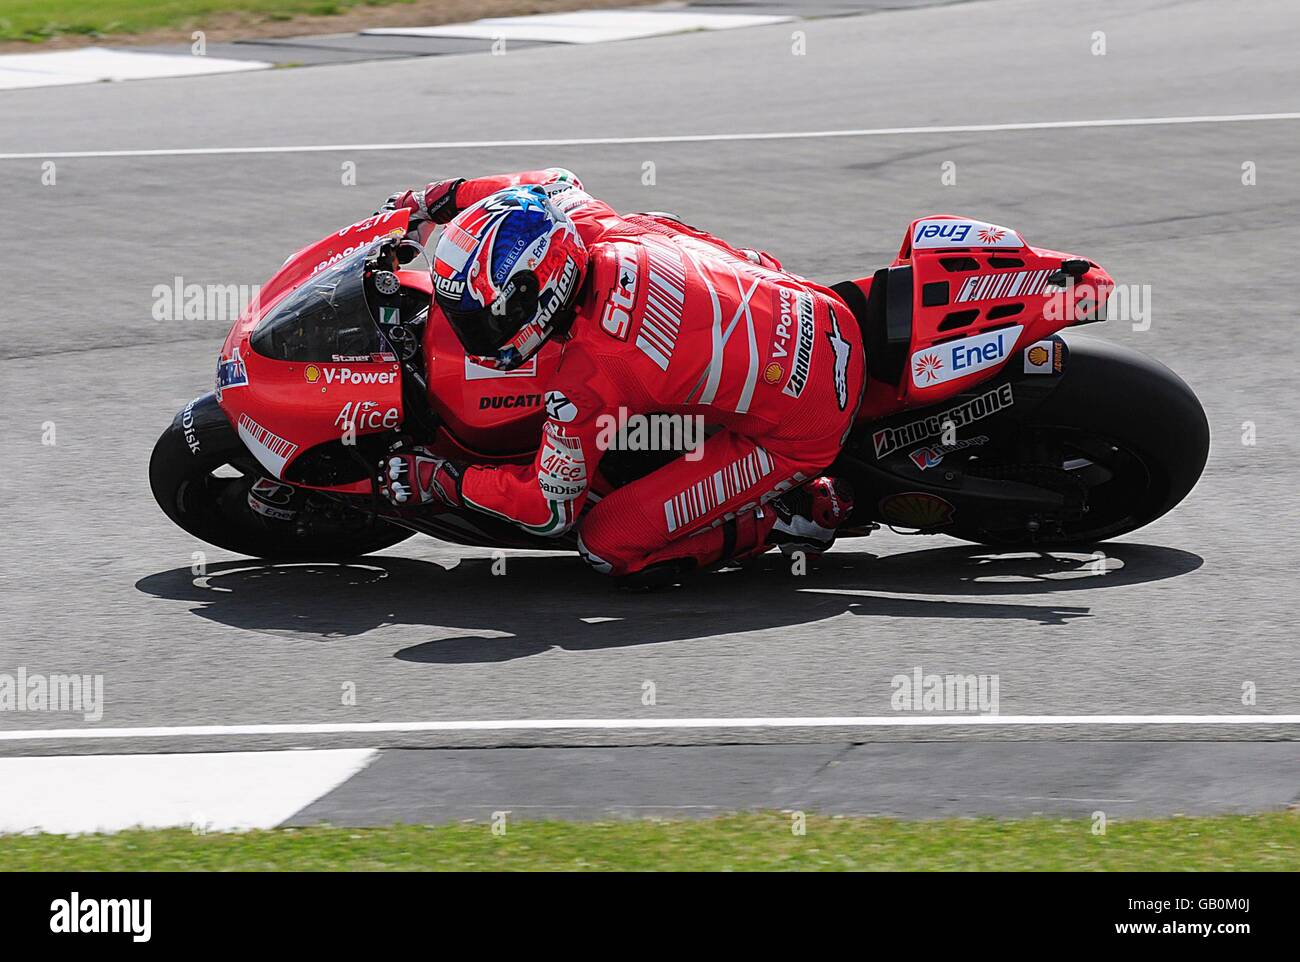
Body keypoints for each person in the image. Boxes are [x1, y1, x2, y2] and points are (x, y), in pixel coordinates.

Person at [378, 168, 863, 584]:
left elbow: (547, 512)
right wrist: (437, 199)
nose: (470, 335)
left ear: (536, 292)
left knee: (608, 546)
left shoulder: (589, 378)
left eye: (477, 320)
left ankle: (787, 515)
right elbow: (551, 180)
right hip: (820, 308)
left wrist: (446, 482)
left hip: (804, 426)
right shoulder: (593, 226)